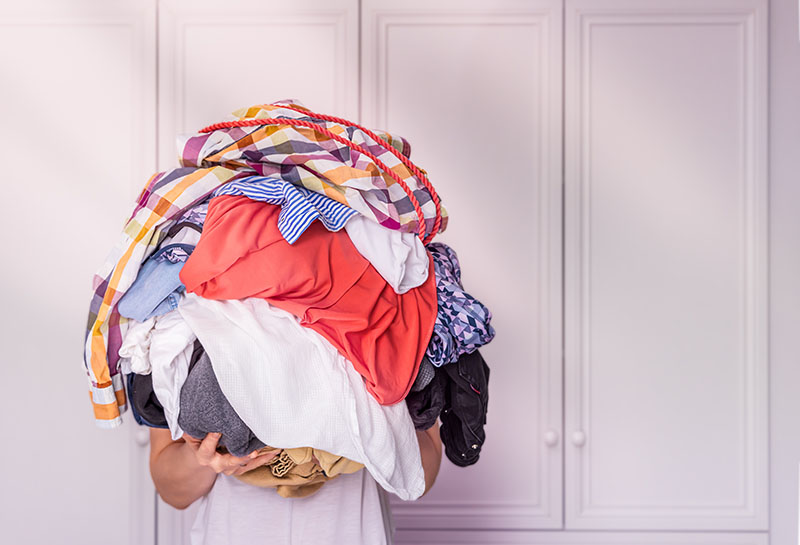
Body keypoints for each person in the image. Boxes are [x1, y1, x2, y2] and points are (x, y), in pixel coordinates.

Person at [149, 421, 443, 544]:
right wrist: (202, 454)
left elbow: (423, 474)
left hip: (350, 534)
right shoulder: (185, 305)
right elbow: (171, 489)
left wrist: (371, 421)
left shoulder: (392, 294)